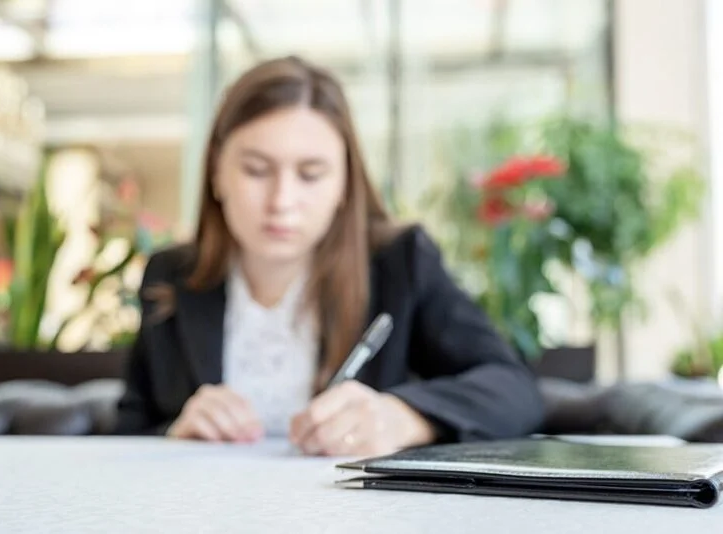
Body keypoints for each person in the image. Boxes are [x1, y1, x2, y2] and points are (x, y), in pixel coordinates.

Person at [114, 55, 545, 456]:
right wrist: (175, 432)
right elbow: (129, 429)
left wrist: (404, 417)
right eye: (257, 170)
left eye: (311, 174)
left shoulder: (400, 263)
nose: (282, 200)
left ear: (344, 185)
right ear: (216, 173)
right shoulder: (170, 275)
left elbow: (514, 389)